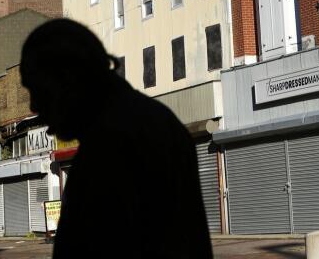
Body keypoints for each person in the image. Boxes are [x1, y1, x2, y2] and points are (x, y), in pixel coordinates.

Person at [19, 19, 212, 258]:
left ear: (67, 79)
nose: (34, 105)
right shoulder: (153, 122)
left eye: (37, 89)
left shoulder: (111, 144)